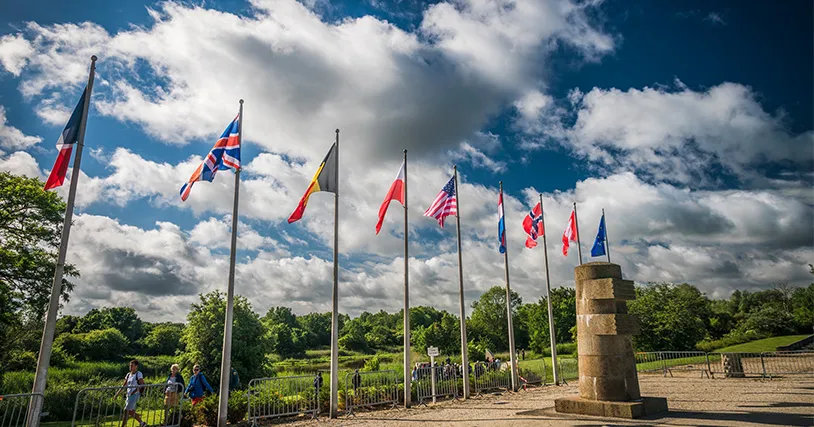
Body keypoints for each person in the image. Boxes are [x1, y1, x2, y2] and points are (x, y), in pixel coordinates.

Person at [114, 359, 146, 427]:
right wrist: (117, 393)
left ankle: (123, 425)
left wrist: (135, 391)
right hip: (128, 394)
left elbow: (142, 384)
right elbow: (124, 385)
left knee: (126, 410)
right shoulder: (128, 374)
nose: (130, 367)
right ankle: (142, 423)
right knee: (130, 412)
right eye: (130, 365)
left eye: (132, 365)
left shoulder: (138, 374)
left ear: (136, 366)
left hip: (135, 394)